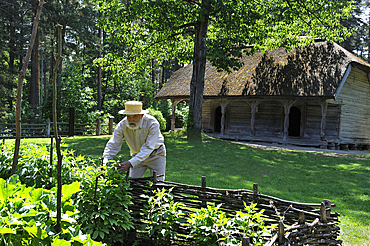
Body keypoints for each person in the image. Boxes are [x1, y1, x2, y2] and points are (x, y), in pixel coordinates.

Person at [102, 101, 166, 181]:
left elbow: (148, 147)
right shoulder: (122, 125)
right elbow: (112, 145)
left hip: (156, 155)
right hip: (136, 155)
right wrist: (104, 164)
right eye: (128, 116)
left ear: (142, 115)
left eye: (135, 116)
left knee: (158, 183)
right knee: (132, 183)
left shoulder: (152, 123)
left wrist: (130, 163)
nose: (131, 120)